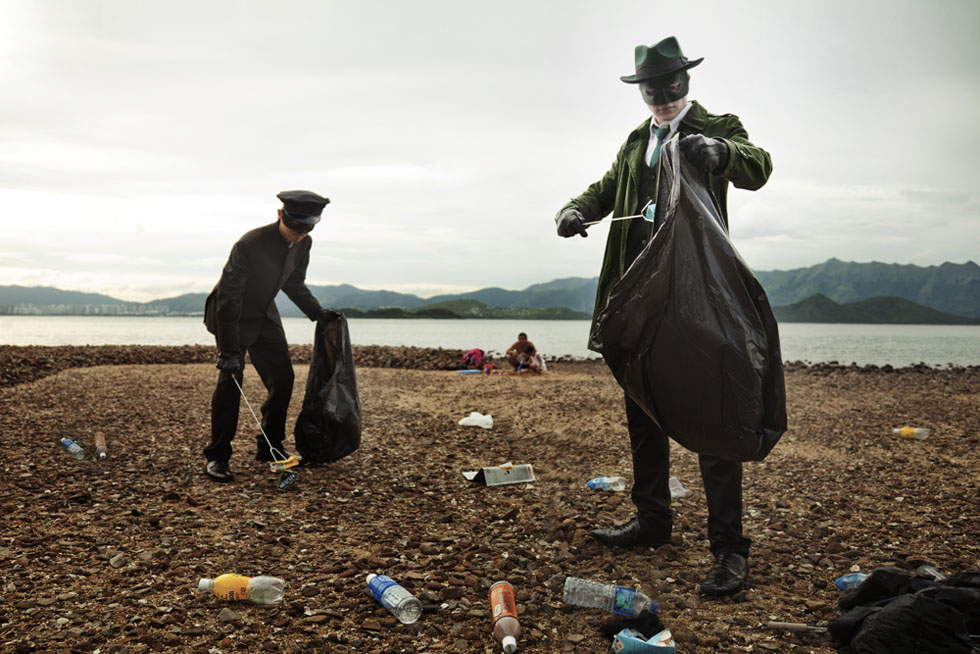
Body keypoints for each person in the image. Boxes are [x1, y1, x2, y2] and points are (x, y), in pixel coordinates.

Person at [554, 36, 772, 596]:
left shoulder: (719, 126)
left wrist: (720, 153)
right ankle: (652, 520)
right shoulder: (635, 142)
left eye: (670, 87)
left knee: (716, 409)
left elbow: (758, 166)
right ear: (641, 91)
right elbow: (606, 189)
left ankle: (729, 548)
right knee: (643, 406)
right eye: (652, 90)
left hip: (697, 293)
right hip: (636, 294)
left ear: (686, 81)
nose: (663, 97)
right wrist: (574, 209)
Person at [203, 190, 342, 483]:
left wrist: (317, 312)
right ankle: (218, 456)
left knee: (283, 378)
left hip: (264, 313)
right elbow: (229, 296)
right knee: (231, 382)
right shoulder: (250, 243)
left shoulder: (304, 242)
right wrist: (228, 351)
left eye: (308, 229)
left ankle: (269, 446)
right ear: (281, 215)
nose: (300, 235)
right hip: (231, 314)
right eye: (296, 227)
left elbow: (294, 283)